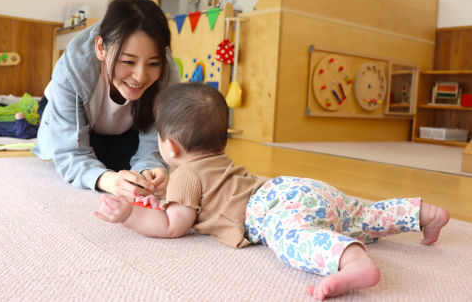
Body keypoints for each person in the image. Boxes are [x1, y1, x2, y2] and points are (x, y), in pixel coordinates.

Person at [93, 83, 450, 300]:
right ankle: (419, 214)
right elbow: (196, 196)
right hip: (294, 187)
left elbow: (174, 224)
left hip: (270, 209)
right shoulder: (215, 162)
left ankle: (353, 263)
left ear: (169, 147)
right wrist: (160, 193)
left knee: (294, 239)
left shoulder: (185, 174)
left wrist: (131, 215)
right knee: (358, 215)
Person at [33, 0, 179, 199]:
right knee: (94, 165)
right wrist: (108, 181)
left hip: (120, 126)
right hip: (65, 111)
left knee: (125, 169)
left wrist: (151, 168)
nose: (140, 76)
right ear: (100, 48)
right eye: (128, 61)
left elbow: (154, 141)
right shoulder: (72, 69)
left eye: (153, 63)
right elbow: (70, 152)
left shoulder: (167, 75)